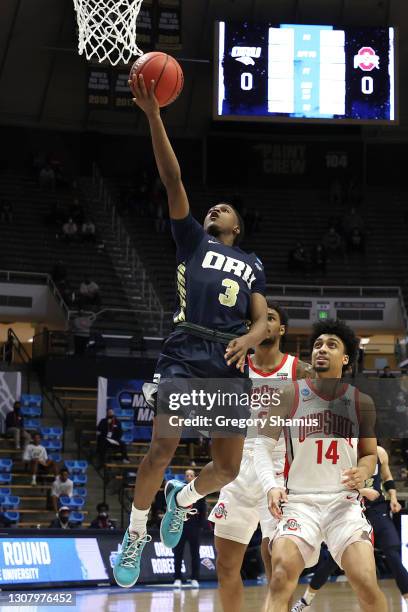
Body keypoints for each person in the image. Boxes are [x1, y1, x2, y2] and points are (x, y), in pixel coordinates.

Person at [113, 73, 267, 589]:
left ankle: (181, 499)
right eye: (212, 207)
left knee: (226, 469)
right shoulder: (192, 240)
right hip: (185, 350)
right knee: (162, 446)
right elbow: (173, 180)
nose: (214, 208)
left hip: (226, 363)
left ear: (238, 227)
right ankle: (136, 533)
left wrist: (251, 337)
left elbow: (265, 316)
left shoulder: (251, 263)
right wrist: (154, 115)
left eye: (224, 208)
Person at [255, 319, 387, 612]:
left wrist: (365, 472)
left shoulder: (361, 402)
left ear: (345, 358)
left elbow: (368, 454)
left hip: (344, 503)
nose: (321, 350)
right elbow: (261, 447)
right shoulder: (289, 394)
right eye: (317, 345)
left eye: (331, 345)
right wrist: (271, 486)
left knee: (366, 580)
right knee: (279, 577)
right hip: (300, 502)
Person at [209, 303, 313, 612]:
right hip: (238, 470)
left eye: (271, 318)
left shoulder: (300, 370)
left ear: (281, 329)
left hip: (279, 471)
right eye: (258, 320)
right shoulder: (235, 366)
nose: (264, 324)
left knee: (277, 566)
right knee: (226, 566)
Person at [291, 445, 408, 611]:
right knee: (332, 561)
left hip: (377, 510)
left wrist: (394, 497)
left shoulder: (380, 452)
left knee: (393, 553)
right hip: (351, 508)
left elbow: (387, 477)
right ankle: (305, 600)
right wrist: (362, 491)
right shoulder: (343, 450)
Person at [173, 469, 207, 588]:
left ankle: (195, 578)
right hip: (180, 527)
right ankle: (177, 578)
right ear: (184, 477)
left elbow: (203, 511)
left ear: (194, 477)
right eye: (187, 475)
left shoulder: (199, 492)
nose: (189, 477)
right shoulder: (179, 491)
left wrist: (200, 526)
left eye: (191, 475)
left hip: (194, 528)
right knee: (178, 553)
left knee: (195, 554)